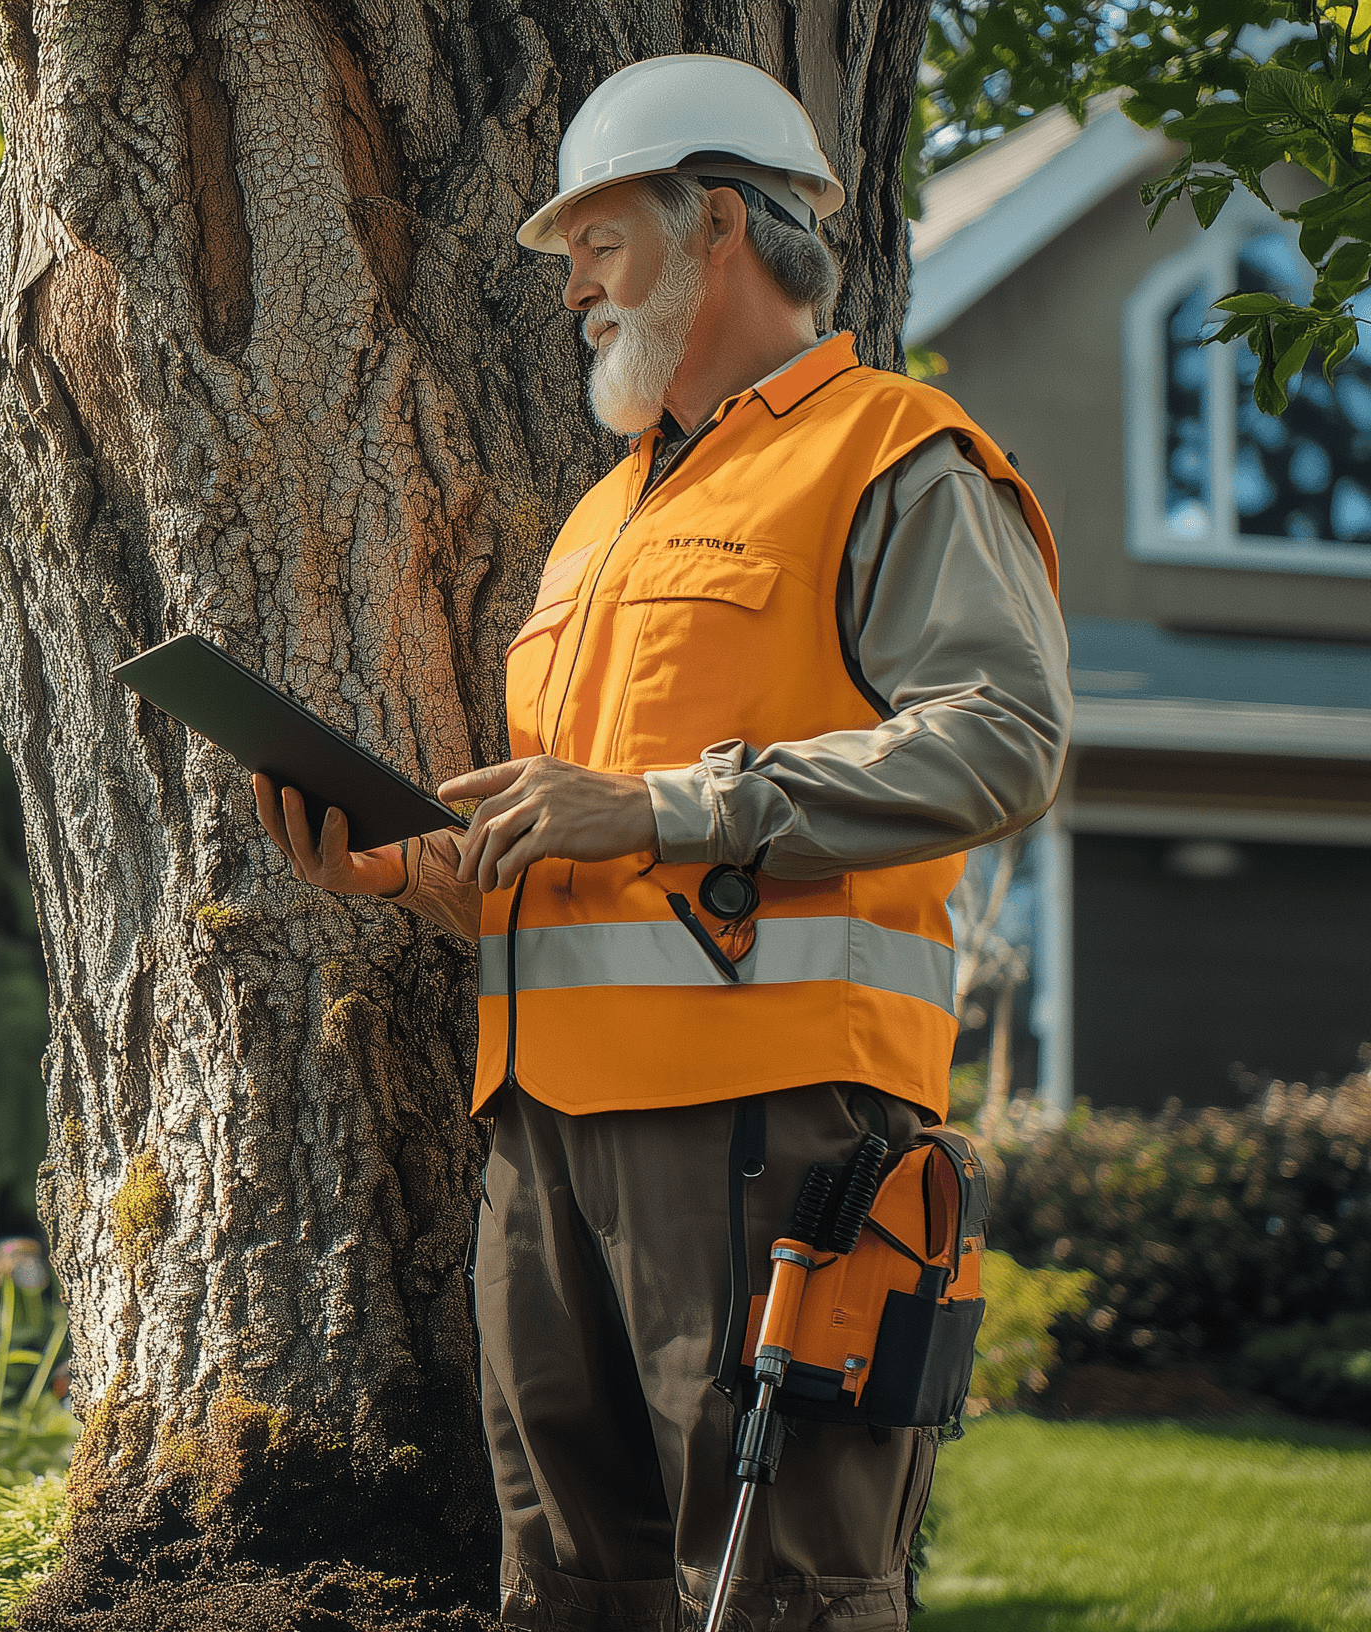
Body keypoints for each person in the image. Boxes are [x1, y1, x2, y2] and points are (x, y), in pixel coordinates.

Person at [254, 54, 1070, 1632]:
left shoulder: (894, 453)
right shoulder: (598, 520)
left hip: (774, 1130)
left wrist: (671, 804)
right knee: (570, 1590)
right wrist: (411, 868)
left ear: (717, 223)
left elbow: (1002, 741)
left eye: (597, 250)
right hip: (545, 1137)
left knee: (782, 1592)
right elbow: (579, 864)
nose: (573, 294)